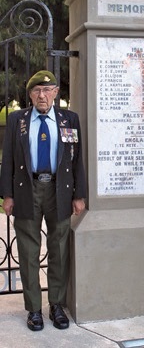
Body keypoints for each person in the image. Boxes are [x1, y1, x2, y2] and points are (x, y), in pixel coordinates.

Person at [0, 70, 86, 331]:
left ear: (56, 93)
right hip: (28, 189)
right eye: (37, 90)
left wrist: (79, 194)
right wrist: (7, 194)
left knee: (59, 249)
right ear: (30, 94)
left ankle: (57, 305)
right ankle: (34, 309)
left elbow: (77, 158)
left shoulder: (69, 119)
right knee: (28, 252)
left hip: (59, 190)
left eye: (47, 90)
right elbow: (9, 160)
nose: (42, 95)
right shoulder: (18, 120)